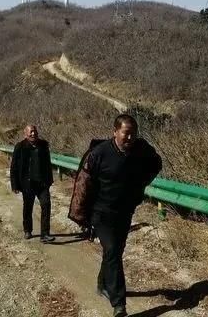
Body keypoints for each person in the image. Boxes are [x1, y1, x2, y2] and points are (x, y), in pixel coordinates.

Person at [68, 114, 162, 317]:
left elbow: (156, 164)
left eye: (133, 134)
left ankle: (102, 283)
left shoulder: (141, 149)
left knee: (115, 252)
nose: (130, 138)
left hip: (125, 211)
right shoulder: (99, 153)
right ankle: (119, 304)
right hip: (101, 213)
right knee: (111, 251)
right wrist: (82, 217)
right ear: (115, 132)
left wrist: (140, 184)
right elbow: (83, 185)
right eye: (126, 134)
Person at [10, 124, 55, 243]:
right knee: (28, 207)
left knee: (46, 205)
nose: (33, 134)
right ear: (25, 134)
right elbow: (14, 167)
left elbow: (48, 164)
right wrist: (14, 185)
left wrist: (50, 180)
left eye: (34, 131)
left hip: (42, 184)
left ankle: (45, 234)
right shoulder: (20, 147)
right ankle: (27, 230)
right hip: (27, 184)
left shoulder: (43, 145)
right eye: (30, 132)